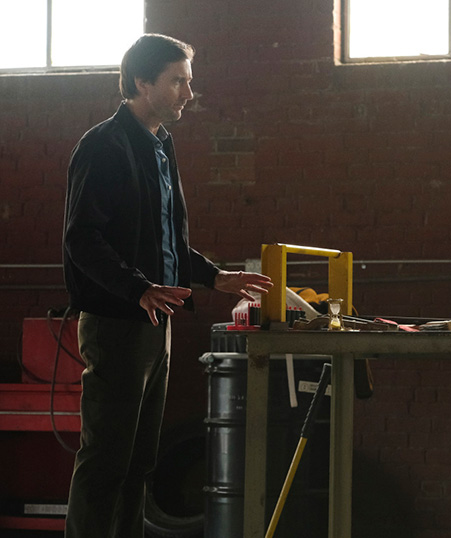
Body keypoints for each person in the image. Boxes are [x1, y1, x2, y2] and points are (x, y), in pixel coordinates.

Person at [62, 34, 273, 538]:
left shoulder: (159, 145)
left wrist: (215, 276)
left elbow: (165, 239)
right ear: (142, 82)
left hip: (156, 320)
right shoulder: (104, 145)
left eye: (188, 81)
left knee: (138, 462)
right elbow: (82, 238)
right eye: (177, 81)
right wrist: (136, 288)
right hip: (117, 323)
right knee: (106, 460)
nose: (188, 93)